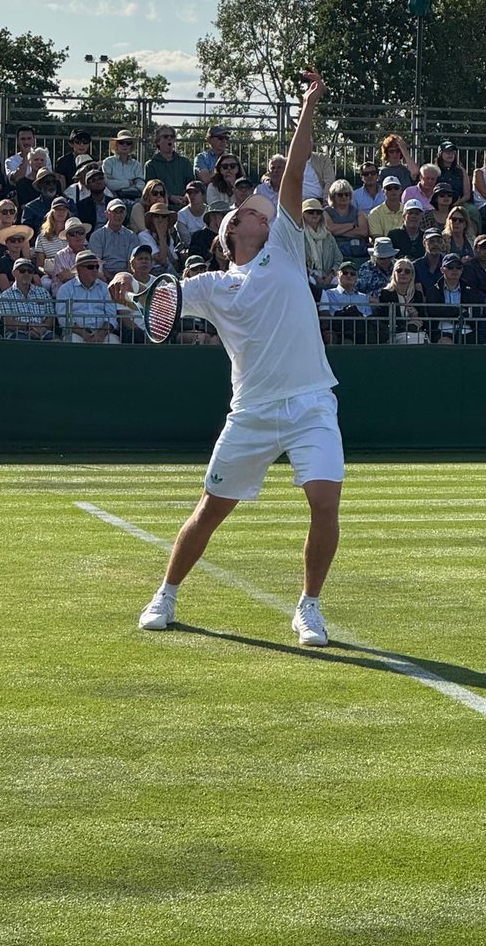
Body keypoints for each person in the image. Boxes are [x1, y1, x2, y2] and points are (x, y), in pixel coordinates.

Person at [138, 70, 343, 649]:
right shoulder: (210, 284)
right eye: (254, 210)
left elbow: (296, 169)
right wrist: (145, 292)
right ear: (232, 232)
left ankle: (309, 607)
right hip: (251, 412)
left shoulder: (285, 243)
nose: (265, 211)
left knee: (325, 502)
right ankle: (166, 594)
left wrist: (307, 104)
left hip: (310, 402)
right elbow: (164, 301)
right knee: (209, 512)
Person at [55, 250, 120, 343]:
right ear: (78, 269)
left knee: (114, 342)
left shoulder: (106, 288)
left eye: (97, 267)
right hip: (75, 333)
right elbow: (64, 318)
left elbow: (111, 316)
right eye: (90, 267)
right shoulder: (65, 289)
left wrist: (101, 334)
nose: (95, 270)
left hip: (103, 333)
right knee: (73, 341)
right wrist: (84, 334)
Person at [371, 257, 428, 344]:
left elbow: (424, 319)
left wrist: (416, 316)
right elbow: (384, 319)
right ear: (394, 274)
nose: (403, 273)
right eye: (399, 270)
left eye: (407, 271)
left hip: (417, 332)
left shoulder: (417, 295)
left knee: (424, 341)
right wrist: (407, 324)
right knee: (415, 342)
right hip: (395, 334)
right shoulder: (385, 294)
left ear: (412, 275)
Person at [424, 253, 477, 344]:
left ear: (462, 270)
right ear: (442, 270)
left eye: (458, 267)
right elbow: (434, 311)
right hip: (442, 330)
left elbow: (475, 311)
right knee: (445, 343)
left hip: (467, 330)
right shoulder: (433, 290)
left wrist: (448, 311)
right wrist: (460, 312)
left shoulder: (470, 290)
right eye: (450, 267)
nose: (454, 270)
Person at [0, 258, 56, 340]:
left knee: (57, 341)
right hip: (17, 334)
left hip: (42, 332)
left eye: (30, 271)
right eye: (22, 270)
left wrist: (39, 329)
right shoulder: (5, 296)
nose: (26, 273)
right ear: (14, 273)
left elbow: (50, 319)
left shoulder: (43, 293)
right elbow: (8, 323)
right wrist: (28, 327)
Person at [107, 243, 154, 344]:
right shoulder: (124, 284)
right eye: (140, 259)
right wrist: (145, 336)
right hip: (135, 333)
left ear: (151, 263)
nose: (144, 262)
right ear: (131, 264)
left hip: (158, 331)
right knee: (134, 334)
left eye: (147, 259)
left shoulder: (159, 283)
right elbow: (125, 318)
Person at [318, 260, 373, 344]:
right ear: (338, 275)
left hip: (361, 334)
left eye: (352, 274)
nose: (349, 276)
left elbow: (368, 317)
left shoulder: (364, 297)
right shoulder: (329, 294)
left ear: (356, 277)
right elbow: (333, 317)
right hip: (340, 333)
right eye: (345, 273)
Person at [90, 199, 141, 280]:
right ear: (106, 214)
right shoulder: (97, 236)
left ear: (125, 214)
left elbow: (132, 263)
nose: (118, 215)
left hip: (126, 276)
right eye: (115, 212)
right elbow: (97, 263)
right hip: (103, 277)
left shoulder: (131, 236)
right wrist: (107, 277)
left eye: (121, 212)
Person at [145, 125, 193, 207]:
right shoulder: (151, 165)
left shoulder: (185, 162)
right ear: (158, 141)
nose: (169, 138)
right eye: (165, 136)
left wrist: (187, 196)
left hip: (185, 205)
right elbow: (151, 191)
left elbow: (191, 184)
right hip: (162, 207)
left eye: (172, 136)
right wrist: (170, 197)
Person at [302, 198, 342, 289]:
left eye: (318, 212)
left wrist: (331, 274)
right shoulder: (299, 236)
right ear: (303, 214)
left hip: (328, 274)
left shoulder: (328, 236)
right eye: (310, 212)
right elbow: (298, 260)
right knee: (309, 281)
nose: (315, 215)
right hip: (308, 274)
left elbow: (338, 258)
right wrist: (315, 276)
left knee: (341, 282)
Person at [324, 179, 369, 259]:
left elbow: (363, 231)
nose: (344, 197)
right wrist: (352, 225)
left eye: (346, 194)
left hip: (357, 251)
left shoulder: (358, 212)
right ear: (333, 196)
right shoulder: (326, 212)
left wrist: (338, 231)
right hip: (335, 252)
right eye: (340, 194)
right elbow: (330, 229)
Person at [435, 141, 477, 226]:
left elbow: (467, 195)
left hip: (460, 202)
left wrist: (457, 202)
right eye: (447, 152)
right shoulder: (435, 170)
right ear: (440, 154)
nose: (450, 154)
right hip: (439, 203)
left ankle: (471, 237)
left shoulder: (461, 171)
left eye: (452, 152)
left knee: (473, 211)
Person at [50, 218, 92, 295]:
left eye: (81, 232)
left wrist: (72, 275)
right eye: (72, 233)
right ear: (66, 238)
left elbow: (100, 278)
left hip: (87, 297)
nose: (77, 236)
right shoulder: (60, 255)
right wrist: (89, 274)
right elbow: (65, 277)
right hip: (66, 298)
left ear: (85, 235)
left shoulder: (92, 255)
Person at [137, 202, 179, 275]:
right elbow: (161, 260)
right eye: (157, 216)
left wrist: (163, 241)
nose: (160, 219)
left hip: (169, 271)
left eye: (164, 216)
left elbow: (174, 263)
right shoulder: (144, 236)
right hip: (153, 272)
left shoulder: (169, 237)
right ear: (151, 219)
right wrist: (161, 234)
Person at [34, 198, 74, 276]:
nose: (61, 212)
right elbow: (39, 266)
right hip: (51, 274)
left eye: (64, 209)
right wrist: (49, 273)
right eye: (58, 209)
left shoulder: (75, 233)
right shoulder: (42, 237)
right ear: (52, 212)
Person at [101, 129, 144, 197]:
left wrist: (118, 184)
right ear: (116, 145)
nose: (125, 145)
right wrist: (130, 182)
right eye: (121, 142)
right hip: (113, 199)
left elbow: (141, 186)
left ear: (131, 146)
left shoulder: (137, 165)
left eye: (128, 143)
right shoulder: (108, 162)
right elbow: (108, 184)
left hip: (134, 199)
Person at [0, 224, 35, 292]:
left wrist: (13, 283)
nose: (17, 243)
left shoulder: (29, 262)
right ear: (6, 243)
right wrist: (27, 284)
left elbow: (39, 285)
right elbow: (5, 288)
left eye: (20, 240)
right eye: (13, 240)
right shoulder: (0, 263)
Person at [176, 182, 208, 250]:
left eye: (196, 192)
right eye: (189, 193)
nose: (192, 195)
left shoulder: (210, 212)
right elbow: (186, 241)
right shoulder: (181, 215)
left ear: (203, 194)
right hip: (191, 250)